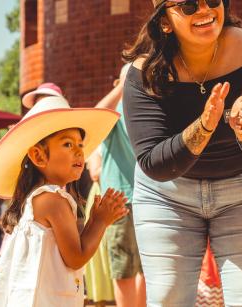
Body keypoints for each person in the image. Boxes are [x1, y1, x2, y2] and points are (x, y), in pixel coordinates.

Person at [121, 0, 242, 304]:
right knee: (167, 299)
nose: (204, 10)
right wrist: (204, 126)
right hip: (168, 196)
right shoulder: (143, 74)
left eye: (212, 0)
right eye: (187, 6)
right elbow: (154, 163)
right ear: (165, 22)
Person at [0, 94, 127, 306]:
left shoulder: (37, 198)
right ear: (39, 156)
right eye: (68, 144)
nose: (79, 150)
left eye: (80, 144)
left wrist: (94, 220)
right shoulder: (53, 200)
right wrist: (100, 221)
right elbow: (75, 257)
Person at [94, 64, 146, 307]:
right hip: (119, 199)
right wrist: (122, 87)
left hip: (150, 198)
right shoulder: (115, 111)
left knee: (149, 268)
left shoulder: (147, 107)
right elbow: (94, 118)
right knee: (124, 269)